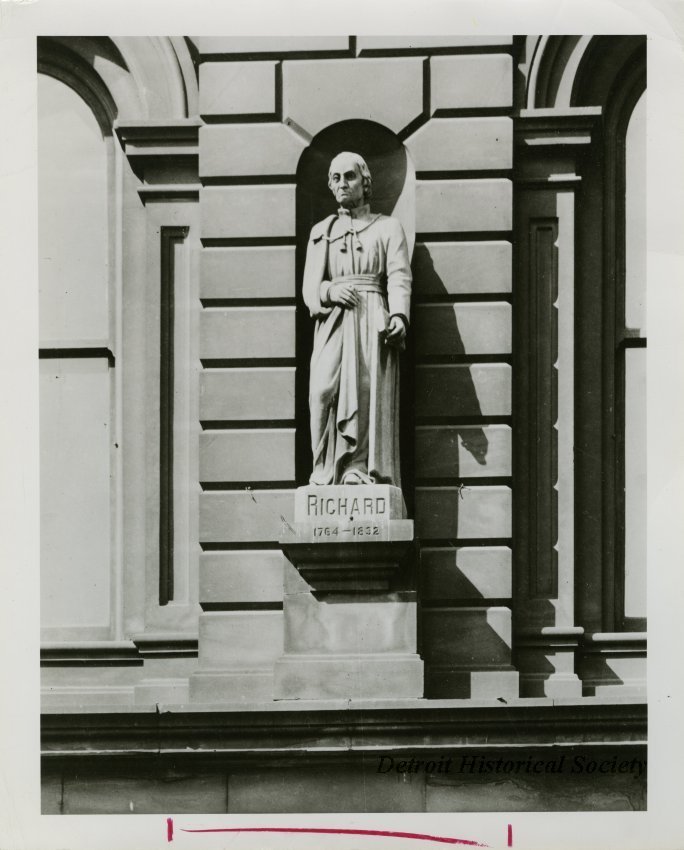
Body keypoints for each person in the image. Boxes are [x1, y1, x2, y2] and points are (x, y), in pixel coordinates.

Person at [302, 151, 412, 487]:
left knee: (366, 395)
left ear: (365, 183)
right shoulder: (322, 231)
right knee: (322, 390)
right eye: (335, 178)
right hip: (334, 320)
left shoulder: (388, 227)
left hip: (371, 319)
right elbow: (310, 288)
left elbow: (399, 276)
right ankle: (323, 473)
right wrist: (329, 292)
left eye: (348, 176)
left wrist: (400, 316)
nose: (341, 184)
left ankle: (357, 469)